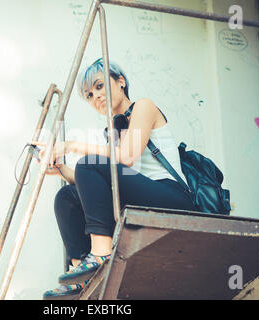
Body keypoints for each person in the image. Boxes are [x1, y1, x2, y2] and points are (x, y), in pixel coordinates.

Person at [31, 58, 195, 300]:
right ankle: (79, 272)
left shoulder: (143, 107)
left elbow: (127, 156)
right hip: (142, 197)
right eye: (89, 94)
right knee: (66, 196)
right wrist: (60, 167)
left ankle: (100, 252)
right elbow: (98, 180)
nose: (95, 96)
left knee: (89, 162)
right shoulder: (113, 131)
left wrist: (73, 145)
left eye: (99, 86)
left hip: (172, 196)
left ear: (121, 82)